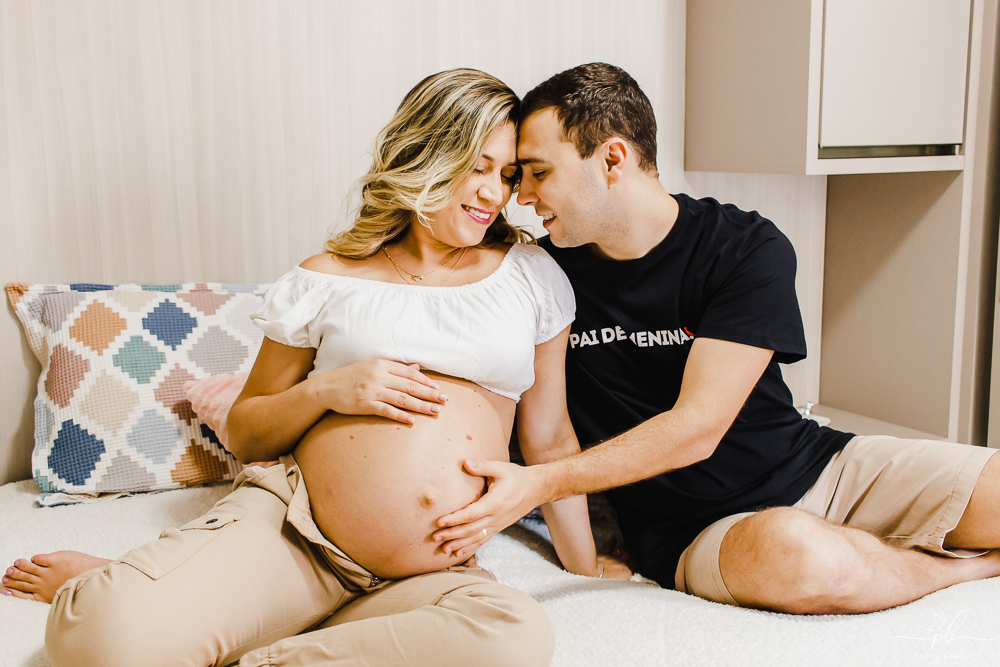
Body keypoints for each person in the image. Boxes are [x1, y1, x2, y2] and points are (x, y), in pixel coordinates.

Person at [1, 69, 615, 667]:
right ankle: (189, 602)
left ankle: (252, 641)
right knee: (98, 634)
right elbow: (248, 430)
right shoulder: (326, 278)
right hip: (294, 537)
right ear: (426, 152)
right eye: (476, 167)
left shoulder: (530, 276)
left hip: (430, 574)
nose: (494, 194)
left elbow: (549, 440)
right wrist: (329, 390)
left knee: (514, 635)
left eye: (506, 175)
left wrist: (584, 568)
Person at [430, 62, 1000, 615]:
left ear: (611, 159)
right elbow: (441, 311)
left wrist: (539, 485)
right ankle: (958, 572)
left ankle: (877, 554)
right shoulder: (542, 278)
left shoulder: (745, 246)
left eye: (538, 173)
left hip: (819, 465)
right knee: (803, 557)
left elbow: (697, 428)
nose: (521, 197)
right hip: (696, 529)